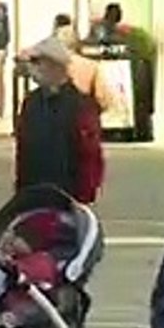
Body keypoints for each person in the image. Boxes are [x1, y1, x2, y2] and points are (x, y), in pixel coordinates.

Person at [14, 37, 105, 204]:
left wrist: (84, 195)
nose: (33, 68)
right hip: (32, 193)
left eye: (38, 62)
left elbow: (90, 153)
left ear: (55, 65)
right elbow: (23, 149)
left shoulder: (81, 105)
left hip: (68, 194)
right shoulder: (31, 102)